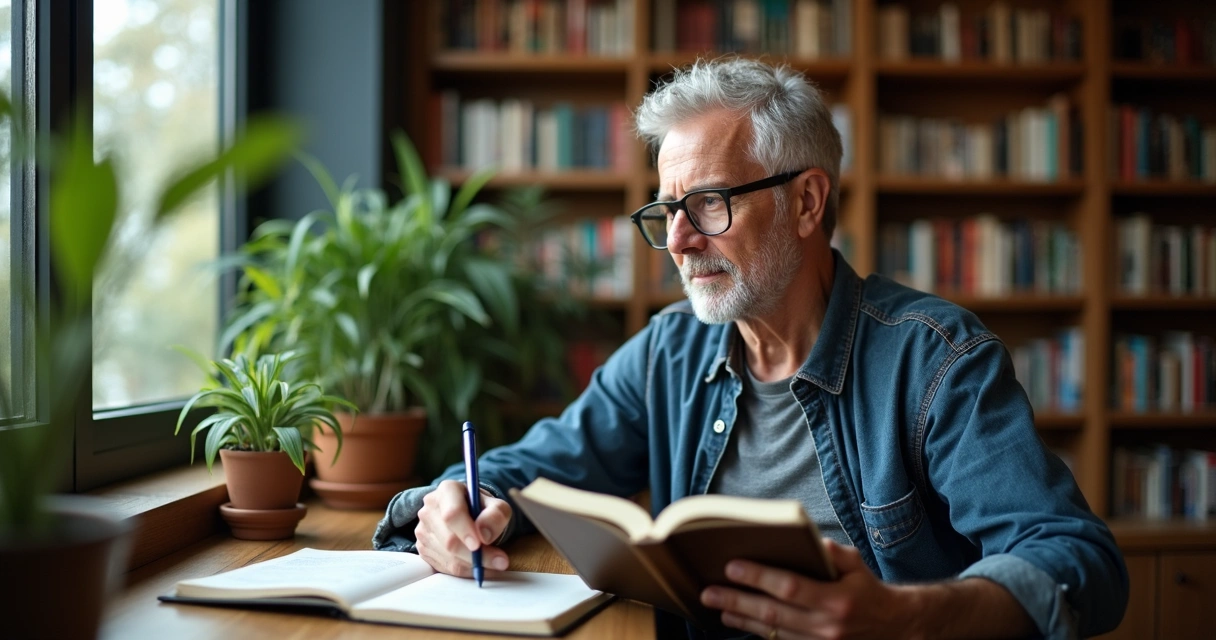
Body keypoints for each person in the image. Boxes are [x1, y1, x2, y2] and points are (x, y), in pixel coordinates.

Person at [373, 57, 1128, 639]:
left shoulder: (935, 361)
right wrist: (450, 503)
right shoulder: (669, 352)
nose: (676, 240)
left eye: (707, 203)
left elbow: (1078, 563)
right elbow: (530, 469)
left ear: (806, 201)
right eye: (668, 209)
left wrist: (905, 619)